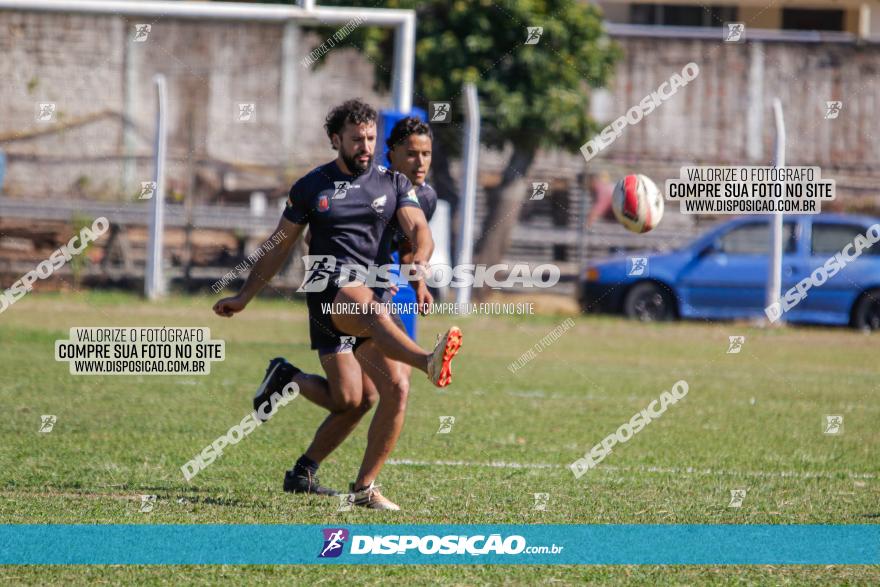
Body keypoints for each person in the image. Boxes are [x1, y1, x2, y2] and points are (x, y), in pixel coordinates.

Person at [212, 100, 461, 510]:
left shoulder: (393, 184)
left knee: (363, 399)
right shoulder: (312, 187)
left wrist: (421, 257)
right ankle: (426, 360)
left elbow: (419, 228)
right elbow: (279, 245)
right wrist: (244, 295)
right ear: (335, 140)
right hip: (331, 293)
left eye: (369, 139)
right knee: (371, 313)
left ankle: (355, 483)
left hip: (373, 299)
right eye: (355, 140)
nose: (365, 147)